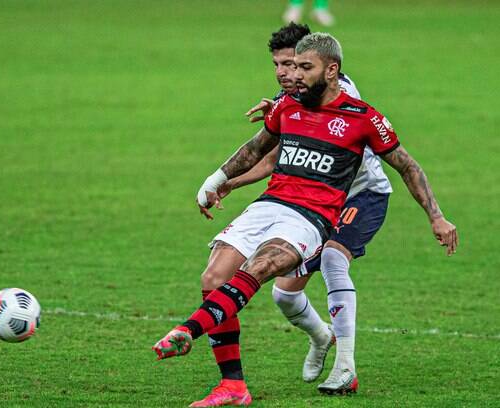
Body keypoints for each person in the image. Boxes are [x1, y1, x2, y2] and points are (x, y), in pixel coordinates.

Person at [152, 32, 458, 407]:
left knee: (264, 266)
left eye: (303, 67)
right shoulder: (286, 107)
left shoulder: (363, 117)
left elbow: (407, 166)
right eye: (290, 66)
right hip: (269, 204)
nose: (293, 74)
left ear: (331, 71)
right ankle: (233, 387)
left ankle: (189, 330)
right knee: (214, 277)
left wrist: (437, 217)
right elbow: (257, 150)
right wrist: (217, 181)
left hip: (312, 216)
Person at [218, 24, 393, 395]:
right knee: (284, 294)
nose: (285, 73)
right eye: (279, 65)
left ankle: (346, 368)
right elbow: (278, 160)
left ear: (319, 64)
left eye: (292, 64)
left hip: (360, 195)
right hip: (311, 204)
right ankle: (321, 337)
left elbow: (281, 156)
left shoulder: (339, 95)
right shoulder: (293, 101)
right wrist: (229, 182)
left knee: (332, 258)